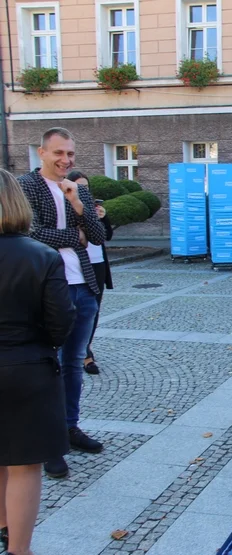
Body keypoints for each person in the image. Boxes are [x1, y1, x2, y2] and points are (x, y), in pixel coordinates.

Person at [18, 127, 106, 479]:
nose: (65, 160)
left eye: (70, 154)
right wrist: (75, 236)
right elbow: (31, 232)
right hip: (46, 288)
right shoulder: (27, 186)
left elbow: (98, 237)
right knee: (48, 365)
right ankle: (49, 443)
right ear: (42, 152)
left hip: (83, 286)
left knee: (72, 363)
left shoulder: (78, 188)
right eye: (58, 153)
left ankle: (70, 428)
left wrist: (77, 204)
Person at [0, 169, 76, 555]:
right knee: (25, 465)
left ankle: (1, 529)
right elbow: (61, 323)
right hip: (28, 367)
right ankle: (19, 549)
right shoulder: (42, 256)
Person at [67, 171, 113, 376]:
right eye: (79, 186)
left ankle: (86, 350)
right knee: (73, 310)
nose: (83, 190)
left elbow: (107, 236)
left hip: (97, 263)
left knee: (93, 309)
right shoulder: (66, 207)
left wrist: (102, 218)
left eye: (86, 187)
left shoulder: (95, 209)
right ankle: (79, 352)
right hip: (76, 264)